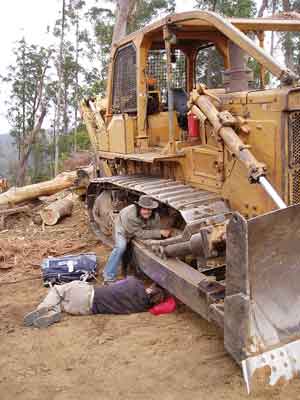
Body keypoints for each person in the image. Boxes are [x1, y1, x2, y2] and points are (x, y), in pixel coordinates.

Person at [23, 276, 166, 329]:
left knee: (58, 290)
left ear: (150, 290)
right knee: (62, 302)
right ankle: (55, 312)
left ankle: (45, 308)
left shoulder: (134, 284)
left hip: (88, 294)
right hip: (84, 310)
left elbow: (125, 280)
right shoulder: (141, 307)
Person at [103, 195, 171, 284]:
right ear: (139, 208)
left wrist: (158, 237)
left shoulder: (155, 216)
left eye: (149, 209)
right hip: (123, 227)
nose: (147, 212)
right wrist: (160, 233)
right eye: (144, 209)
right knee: (121, 247)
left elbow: (154, 230)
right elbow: (140, 234)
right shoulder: (130, 216)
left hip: (139, 227)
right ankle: (108, 276)